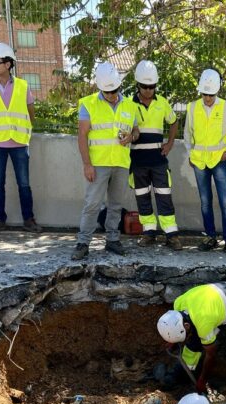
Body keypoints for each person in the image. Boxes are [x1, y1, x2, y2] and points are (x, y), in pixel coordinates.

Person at [71, 62, 140, 261]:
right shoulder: (88, 104)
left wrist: (132, 137)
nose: (111, 94)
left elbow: (136, 130)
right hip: (98, 163)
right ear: (100, 88)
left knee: (116, 204)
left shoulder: (129, 105)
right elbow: (82, 135)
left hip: (120, 162)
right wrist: (87, 164)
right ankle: (83, 243)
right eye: (107, 91)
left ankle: (112, 239)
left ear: (119, 86)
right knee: (92, 204)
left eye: (114, 90)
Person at [0, 43, 41, 234]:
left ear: (8, 64)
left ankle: (28, 220)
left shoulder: (22, 85)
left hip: (19, 141)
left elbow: (31, 112)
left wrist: (24, 129)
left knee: (24, 183)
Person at [157, 282, 226, 394]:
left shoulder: (203, 323)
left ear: (186, 326)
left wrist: (202, 381)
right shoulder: (178, 304)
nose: (185, 337)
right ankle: (182, 373)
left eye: (184, 335)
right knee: (194, 340)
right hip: (218, 304)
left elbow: (211, 355)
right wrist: (173, 341)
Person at [184, 69, 226, 258]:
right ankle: (210, 237)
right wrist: (190, 154)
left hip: (219, 160)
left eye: (211, 95)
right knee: (205, 202)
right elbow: (187, 134)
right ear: (200, 92)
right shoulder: (192, 107)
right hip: (199, 162)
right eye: (205, 94)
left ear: (217, 92)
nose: (208, 98)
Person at [130, 60, 182, 250]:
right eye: (144, 86)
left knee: (164, 196)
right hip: (137, 161)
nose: (148, 90)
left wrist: (170, 143)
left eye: (152, 86)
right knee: (142, 197)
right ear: (137, 84)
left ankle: (171, 236)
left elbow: (174, 122)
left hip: (158, 160)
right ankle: (149, 233)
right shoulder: (129, 104)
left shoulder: (162, 103)